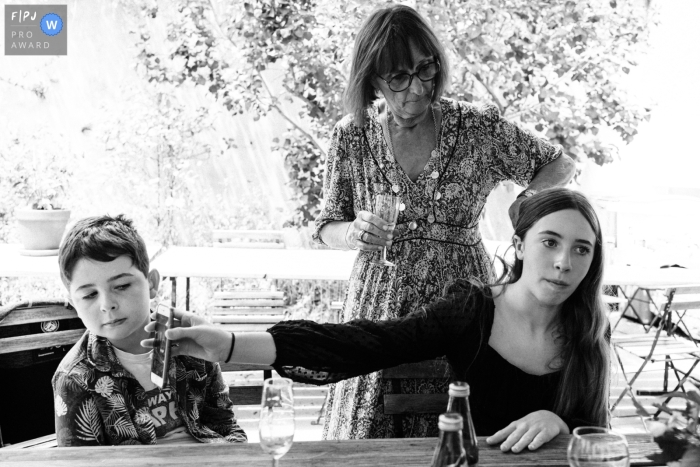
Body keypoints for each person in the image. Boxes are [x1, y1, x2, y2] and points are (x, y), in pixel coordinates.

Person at [143, 188, 610, 452]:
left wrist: (562, 423)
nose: (564, 262)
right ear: (522, 243)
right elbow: (360, 343)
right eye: (549, 242)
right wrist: (225, 344)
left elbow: (600, 438)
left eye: (580, 249)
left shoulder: (591, 330)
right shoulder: (472, 310)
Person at [312, 3, 576, 439]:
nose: (415, 89)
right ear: (372, 77)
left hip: (464, 304)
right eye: (397, 77)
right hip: (379, 306)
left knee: (470, 428)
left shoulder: (474, 128)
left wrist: (528, 201)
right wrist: (353, 233)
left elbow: (558, 163)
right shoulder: (351, 134)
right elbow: (326, 225)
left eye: (425, 70)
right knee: (366, 439)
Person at [52, 215, 247, 446]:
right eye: (89, 295)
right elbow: (79, 464)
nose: (107, 304)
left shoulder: (192, 341)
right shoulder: (75, 378)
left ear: (152, 284)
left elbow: (226, 426)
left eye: (122, 286)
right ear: (74, 304)